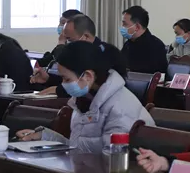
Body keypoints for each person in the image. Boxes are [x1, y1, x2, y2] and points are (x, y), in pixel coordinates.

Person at [16, 41, 154, 153]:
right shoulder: (84, 99)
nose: (63, 84)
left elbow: (113, 157)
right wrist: (44, 136)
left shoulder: (120, 107)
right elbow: (77, 146)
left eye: (66, 79)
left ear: (87, 76)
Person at [31, 15, 127, 96]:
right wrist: (49, 79)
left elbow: (93, 86)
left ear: (85, 37)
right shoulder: (82, 53)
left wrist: (59, 90)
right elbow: (74, 80)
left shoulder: (106, 54)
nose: (67, 44)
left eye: (70, 40)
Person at [120, 5, 167, 74]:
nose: (122, 27)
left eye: (125, 24)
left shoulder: (156, 46)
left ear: (137, 27)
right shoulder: (128, 44)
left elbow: (158, 74)